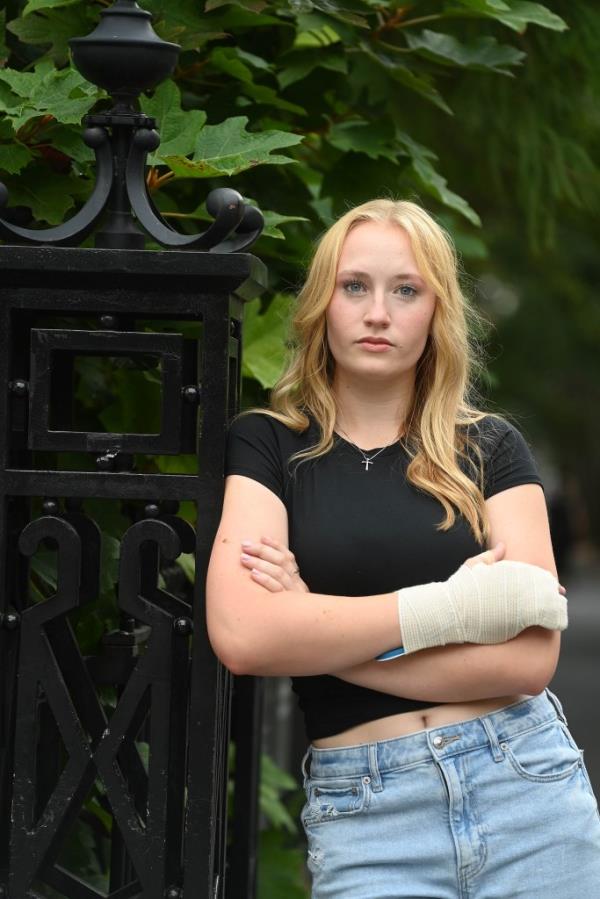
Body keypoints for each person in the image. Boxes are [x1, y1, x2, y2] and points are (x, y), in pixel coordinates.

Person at [206, 199, 600, 898]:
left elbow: (529, 657)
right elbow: (244, 635)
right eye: (355, 285)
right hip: (369, 813)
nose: (378, 312)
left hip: (527, 786)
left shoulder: (492, 449)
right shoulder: (268, 444)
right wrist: (457, 607)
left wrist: (315, 624)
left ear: (435, 311)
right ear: (322, 302)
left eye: (406, 290)